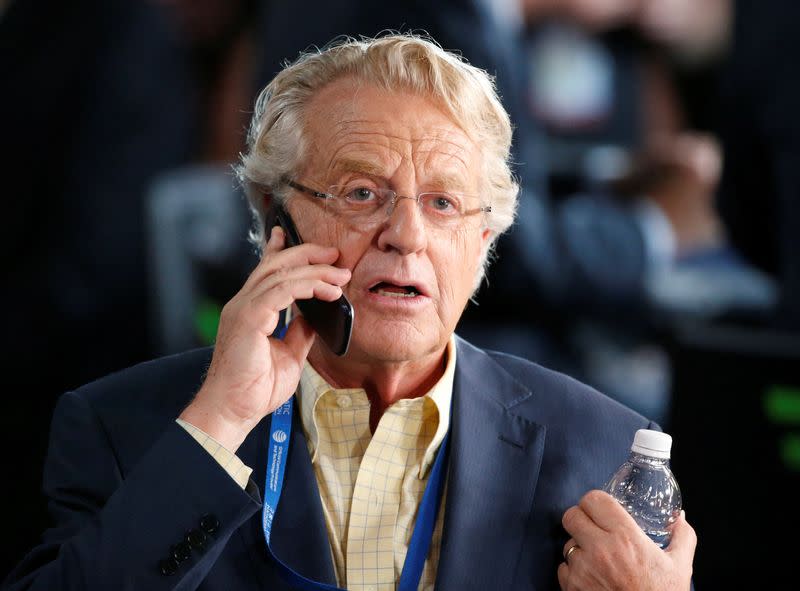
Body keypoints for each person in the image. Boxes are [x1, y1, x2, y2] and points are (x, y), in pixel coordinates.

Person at [2, 34, 696, 591]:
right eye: (362, 193)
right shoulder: (125, 430)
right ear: (279, 222)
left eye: (444, 202)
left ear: (483, 242)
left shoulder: (603, 451)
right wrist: (219, 424)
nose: (406, 234)